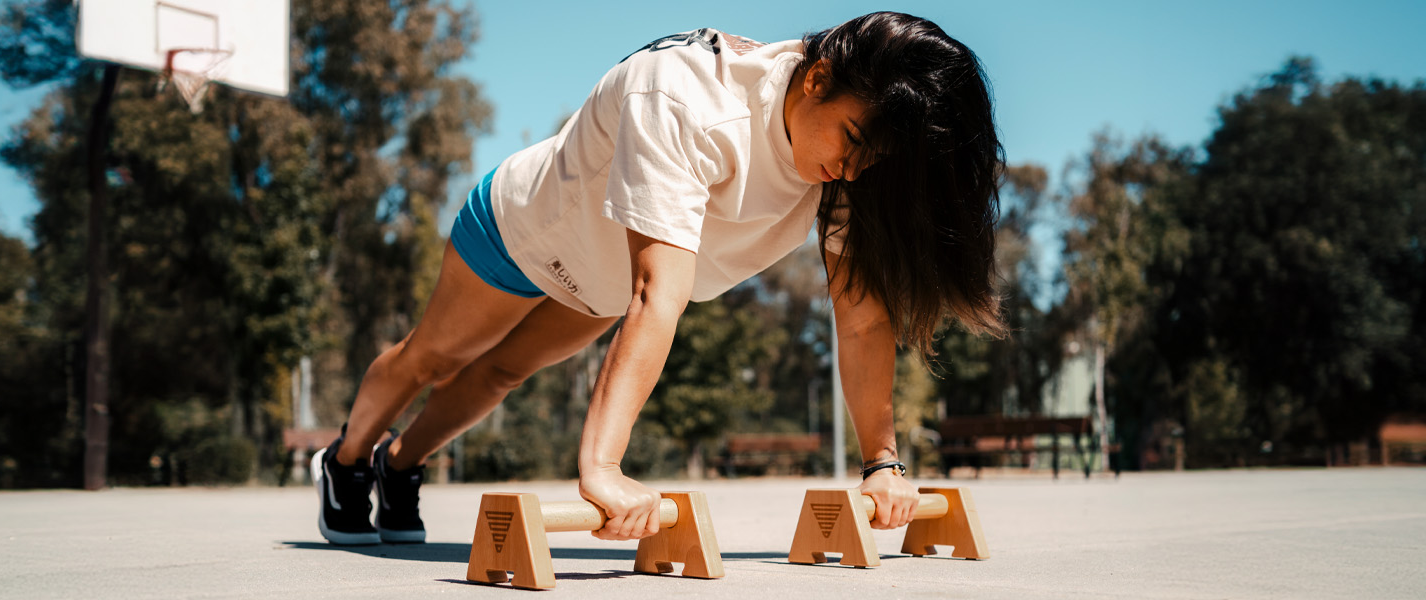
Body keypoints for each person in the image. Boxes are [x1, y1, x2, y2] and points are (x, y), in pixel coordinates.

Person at [312, 11, 1006, 545]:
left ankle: (398, 466)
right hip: (521, 229)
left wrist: (881, 463)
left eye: (871, 159)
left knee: (501, 374)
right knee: (436, 355)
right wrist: (602, 470)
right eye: (853, 142)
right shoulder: (687, 99)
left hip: (600, 279)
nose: (853, 168)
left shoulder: (848, 172)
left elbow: (860, 319)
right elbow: (657, 294)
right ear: (819, 77)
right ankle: (346, 462)